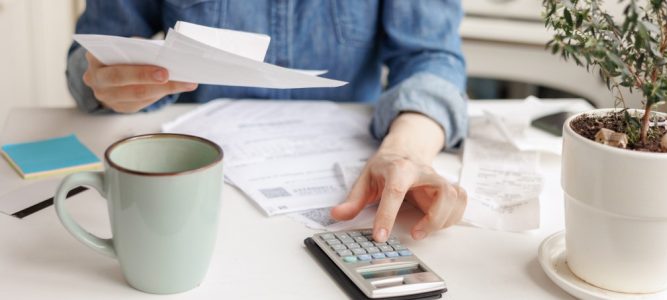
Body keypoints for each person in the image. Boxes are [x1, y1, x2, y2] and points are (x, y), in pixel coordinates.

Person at [67, 0, 468, 243]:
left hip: (350, 191)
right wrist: (108, 83)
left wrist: (405, 152)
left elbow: (432, 58)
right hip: (193, 193)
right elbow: (88, 58)